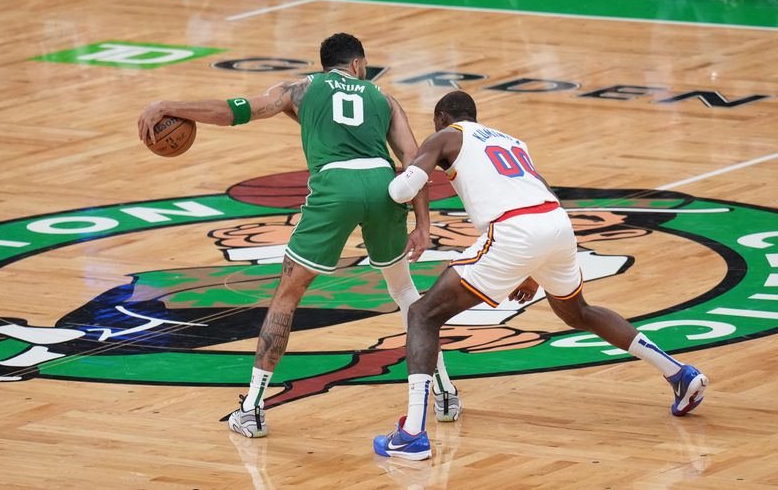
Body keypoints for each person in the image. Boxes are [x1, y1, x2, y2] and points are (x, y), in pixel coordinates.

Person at [137, 33, 461, 438]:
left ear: (325, 64)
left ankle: (252, 409)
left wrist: (167, 106)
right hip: (382, 186)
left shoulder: (301, 89)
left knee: (288, 294)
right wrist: (424, 226)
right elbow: (416, 163)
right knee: (405, 293)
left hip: (335, 188)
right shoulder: (383, 99)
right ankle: (446, 393)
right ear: (359, 65)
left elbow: (234, 111)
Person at [373, 90, 709, 461]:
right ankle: (679, 373)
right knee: (578, 311)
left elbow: (404, 188)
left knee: (423, 314)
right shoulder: (511, 140)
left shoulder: (446, 135)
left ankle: (412, 434)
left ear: (441, 117)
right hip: (555, 222)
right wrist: (534, 268)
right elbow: (544, 189)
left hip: (514, 230)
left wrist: (376, 178)